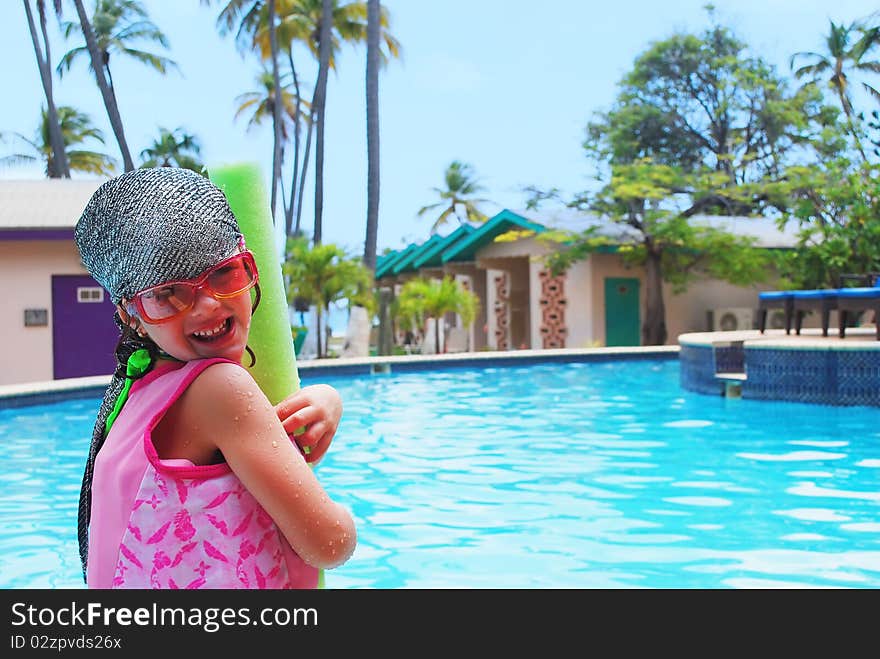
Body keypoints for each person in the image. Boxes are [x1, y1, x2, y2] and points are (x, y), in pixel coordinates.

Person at [74, 167, 356, 589]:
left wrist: (325, 400)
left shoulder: (136, 390)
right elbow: (330, 544)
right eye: (168, 293)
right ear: (132, 316)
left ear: (250, 268)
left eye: (224, 273)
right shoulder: (221, 389)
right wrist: (348, 520)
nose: (207, 305)